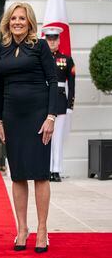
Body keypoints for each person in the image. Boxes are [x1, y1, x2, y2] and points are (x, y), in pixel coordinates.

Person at [0, 2, 57, 253]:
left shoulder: (40, 46)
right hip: (12, 118)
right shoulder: (2, 49)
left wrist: (51, 117)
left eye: (22, 18)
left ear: (29, 22)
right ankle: (22, 228)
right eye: (13, 18)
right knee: (18, 174)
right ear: (8, 22)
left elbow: (52, 81)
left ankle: (42, 229)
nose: (17, 22)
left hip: (38, 116)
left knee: (40, 174)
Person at [42, 26, 76, 182]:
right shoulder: (40, 57)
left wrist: (70, 105)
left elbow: (72, 84)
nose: (52, 42)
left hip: (61, 101)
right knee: (46, 137)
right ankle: (46, 169)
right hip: (45, 101)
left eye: (54, 39)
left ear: (59, 40)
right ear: (45, 39)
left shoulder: (66, 59)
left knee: (57, 137)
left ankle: (56, 170)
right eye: (49, 38)